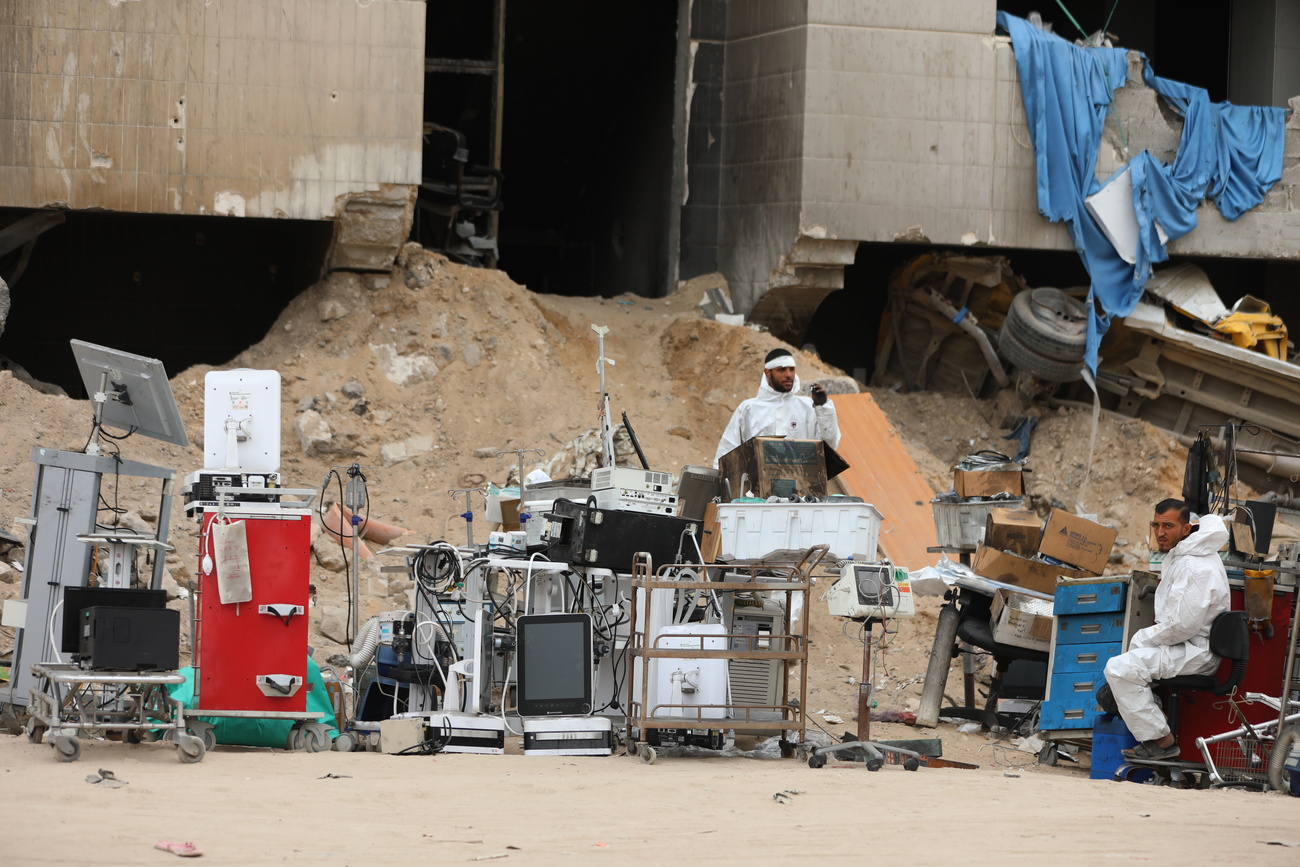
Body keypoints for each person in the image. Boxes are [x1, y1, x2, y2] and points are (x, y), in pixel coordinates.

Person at [1102, 498, 1230, 761]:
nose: (1160, 533)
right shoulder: (1188, 554)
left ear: (1187, 528)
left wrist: (1142, 638)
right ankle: (1156, 722)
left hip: (1195, 652)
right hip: (1184, 646)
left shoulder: (1196, 566)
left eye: (1168, 526)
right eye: (1156, 525)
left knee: (1120, 668)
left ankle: (1162, 741)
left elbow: (1181, 627)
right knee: (1126, 665)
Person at [713, 349, 841, 468]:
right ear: (768, 373)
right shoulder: (749, 409)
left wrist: (823, 409)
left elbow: (829, 445)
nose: (789, 374)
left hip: (802, 488)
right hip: (757, 488)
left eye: (791, 369)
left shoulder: (809, 407)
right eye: (782, 370)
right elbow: (727, 450)